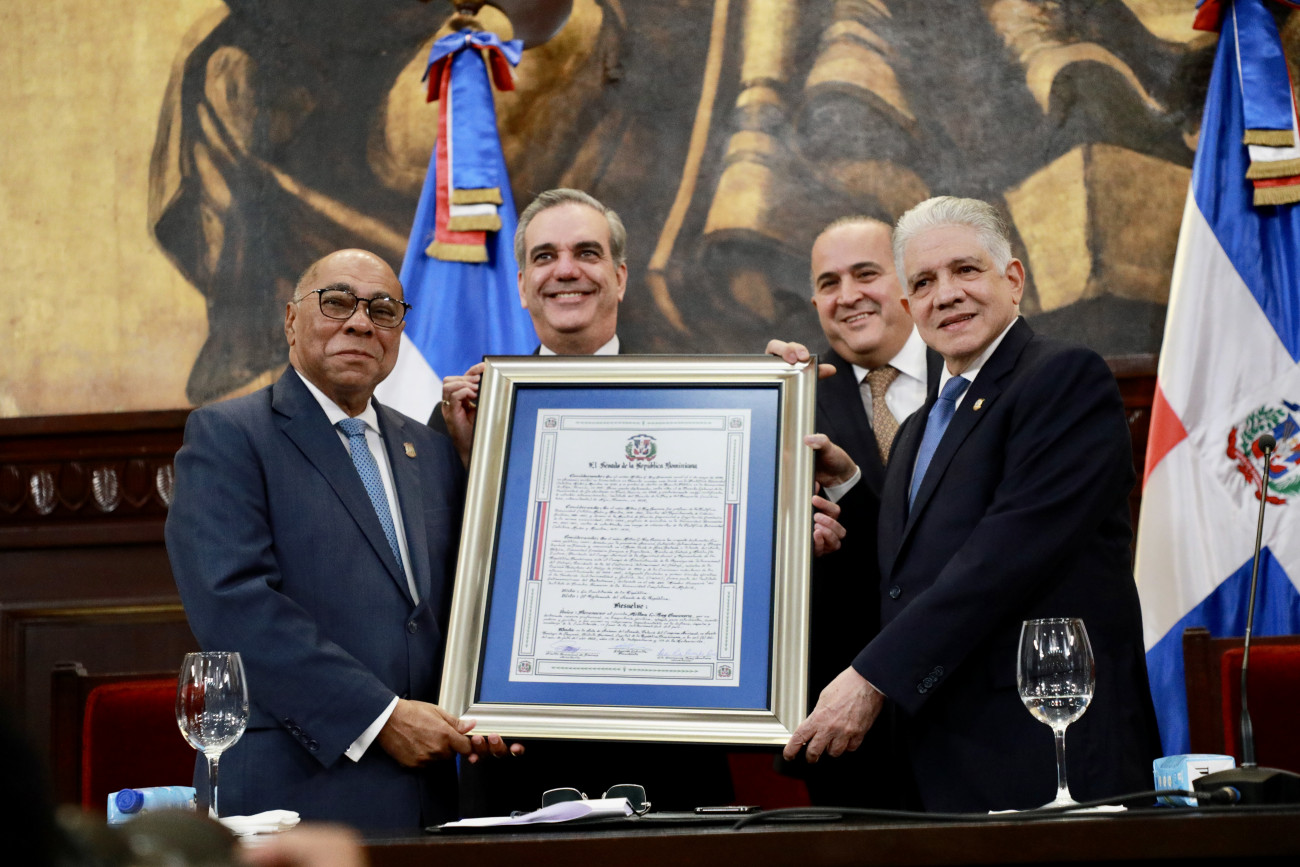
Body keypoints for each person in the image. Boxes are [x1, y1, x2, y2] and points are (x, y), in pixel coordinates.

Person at [784, 197, 1161, 812]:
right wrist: (850, 486)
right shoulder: (921, 426)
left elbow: (1003, 556)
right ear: (910, 305)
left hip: (1047, 753)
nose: (947, 294)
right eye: (924, 282)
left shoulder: (1063, 378)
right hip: (941, 758)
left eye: (965, 270)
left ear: (1013, 279)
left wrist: (873, 678)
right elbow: (912, 571)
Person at [166, 249, 519, 832]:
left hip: (430, 800)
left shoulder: (432, 451)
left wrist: (496, 707)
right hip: (296, 792)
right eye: (336, 302)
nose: (360, 322)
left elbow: (463, 606)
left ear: (398, 332)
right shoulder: (229, 436)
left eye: (382, 310)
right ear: (291, 320)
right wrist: (380, 718)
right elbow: (233, 605)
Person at [770, 217, 938, 807]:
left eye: (866, 274)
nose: (847, 296)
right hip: (847, 732)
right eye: (829, 283)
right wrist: (757, 397)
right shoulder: (792, 398)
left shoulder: (968, 371)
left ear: (908, 281)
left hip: (969, 707)